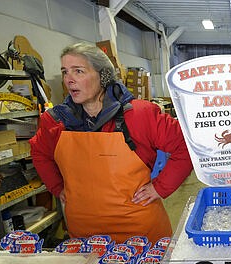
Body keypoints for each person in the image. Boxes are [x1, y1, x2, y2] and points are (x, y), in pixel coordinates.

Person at [29, 42, 193, 244]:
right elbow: (39, 153)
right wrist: (57, 187)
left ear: (103, 76)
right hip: (84, 234)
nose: (69, 80)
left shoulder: (139, 115)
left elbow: (185, 146)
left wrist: (159, 188)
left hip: (140, 233)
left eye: (78, 71)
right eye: (65, 72)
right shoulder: (55, 122)